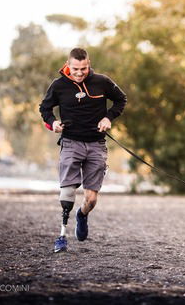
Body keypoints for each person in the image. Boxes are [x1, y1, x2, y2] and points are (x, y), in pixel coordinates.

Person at [39, 47, 127, 252]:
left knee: (92, 198)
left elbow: (121, 99)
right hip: (70, 142)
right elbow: (44, 108)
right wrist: (53, 124)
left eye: (84, 68)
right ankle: (62, 236)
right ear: (68, 65)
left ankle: (82, 214)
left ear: (89, 64)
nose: (80, 73)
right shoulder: (59, 85)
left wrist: (108, 117)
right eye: (76, 68)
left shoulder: (102, 82)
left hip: (96, 144)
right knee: (67, 191)